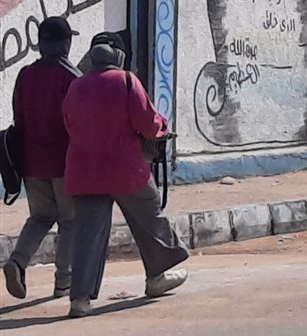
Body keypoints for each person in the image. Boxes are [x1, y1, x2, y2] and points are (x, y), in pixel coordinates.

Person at [63, 34, 188, 318]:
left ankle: (80, 299)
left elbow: (68, 123)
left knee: (88, 234)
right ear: (119, 57)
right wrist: (161, 127)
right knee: (149, 216)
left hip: (84, 170)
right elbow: (148, 123)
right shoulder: (127, 81)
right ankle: (157, 275)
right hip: (126, 169)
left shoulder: (76, 85)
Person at [2, 16, 79, 299]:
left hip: (31, 163)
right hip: (65, 163)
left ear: (39, 43)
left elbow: (18, 116)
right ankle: (63, 281)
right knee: (70, 221)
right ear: (66, 43)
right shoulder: (72, 77)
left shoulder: (25, 75)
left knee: (40, 218)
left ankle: (17, 261)